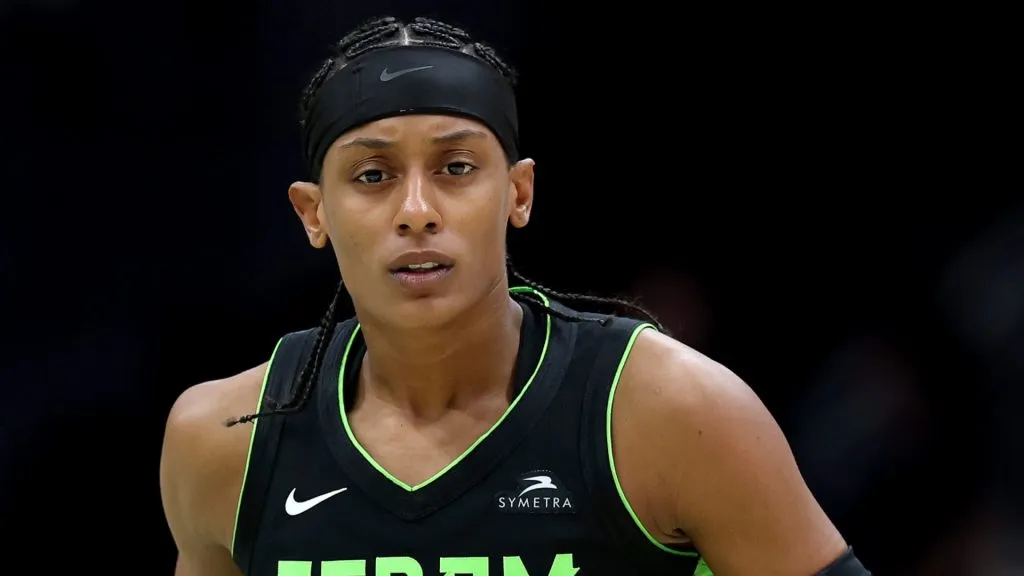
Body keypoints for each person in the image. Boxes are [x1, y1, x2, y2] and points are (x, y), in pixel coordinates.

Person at [159, 15, 870, 576]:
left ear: (519, 192)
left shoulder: (673, 412)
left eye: (456, 167)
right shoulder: (226, 441)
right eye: (373, 176)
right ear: (313, 213)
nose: (416, 211)